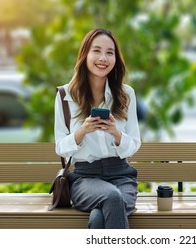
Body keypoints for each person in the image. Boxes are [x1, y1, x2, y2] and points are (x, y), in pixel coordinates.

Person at [54, 28, 141, 229]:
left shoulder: (126, 94)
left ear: (115, 59)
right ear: (85, 54)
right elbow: (60, 147)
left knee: (100, 216)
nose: (103, 58)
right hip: (85, 178)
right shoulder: (65, 95)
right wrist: (82, 131)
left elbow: (134, 145)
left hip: (122, 176)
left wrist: (116, 133)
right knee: (112, 198)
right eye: (97, 51)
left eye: (110, 52)